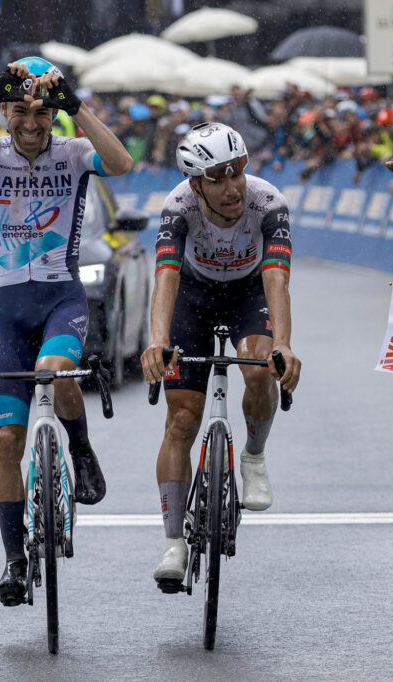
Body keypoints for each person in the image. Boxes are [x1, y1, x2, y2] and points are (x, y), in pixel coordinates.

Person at [0, 56, 133, 607]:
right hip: (8, 309)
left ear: (53, 116)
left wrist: (78, 108)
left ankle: (81, 451)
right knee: (8, 439)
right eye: (20, 111)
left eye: (41, 114)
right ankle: (15, 561)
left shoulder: (74, 151)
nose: (31, 124)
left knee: (54, 369)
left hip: (61, 298)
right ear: (8, 112)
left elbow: (123, 162)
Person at [141, 122, 301, 591]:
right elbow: (166, 277)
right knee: (181, 421)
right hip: (193, 295)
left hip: (249, 291)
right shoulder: (178, 206)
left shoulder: (268, 203)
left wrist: (283, 344)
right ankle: (173, 544)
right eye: (218, 178)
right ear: (196, 184)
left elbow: (277, 278)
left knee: (258, 366)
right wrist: (157, 340)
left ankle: (252, 455)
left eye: (237, 172)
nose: (232, 187)